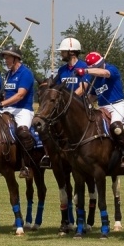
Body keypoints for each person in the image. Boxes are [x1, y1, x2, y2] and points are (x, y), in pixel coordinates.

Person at [76, 51, 124, 168]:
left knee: (116, 126)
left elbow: (105, 73)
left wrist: (86, 71)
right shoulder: (95, 80)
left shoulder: (111, 69)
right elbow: (92, 96)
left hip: (117, 105)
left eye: (95, 68)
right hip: (102, 108)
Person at [39, 37, 88, 168]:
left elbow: (83, 87)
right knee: (46, 126)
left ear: (71, 52)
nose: (61, 54)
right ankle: (49, 155)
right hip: (63, 109)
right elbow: (53, 87)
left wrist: (70, 101)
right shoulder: (62, 70)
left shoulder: (84, 67)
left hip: (81, 107)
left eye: (63, 51)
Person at [0, 46, 36, 179]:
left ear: (16, 58)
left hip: (23, 110)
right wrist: (1, 97)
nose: (5, 60)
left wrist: (1, 104)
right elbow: (7, 94)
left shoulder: (26, 73)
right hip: (8, 108)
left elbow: (20, 95)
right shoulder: (7, 75)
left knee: (23, 132)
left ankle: (26, 165)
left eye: (7, 58)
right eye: (5, 58)